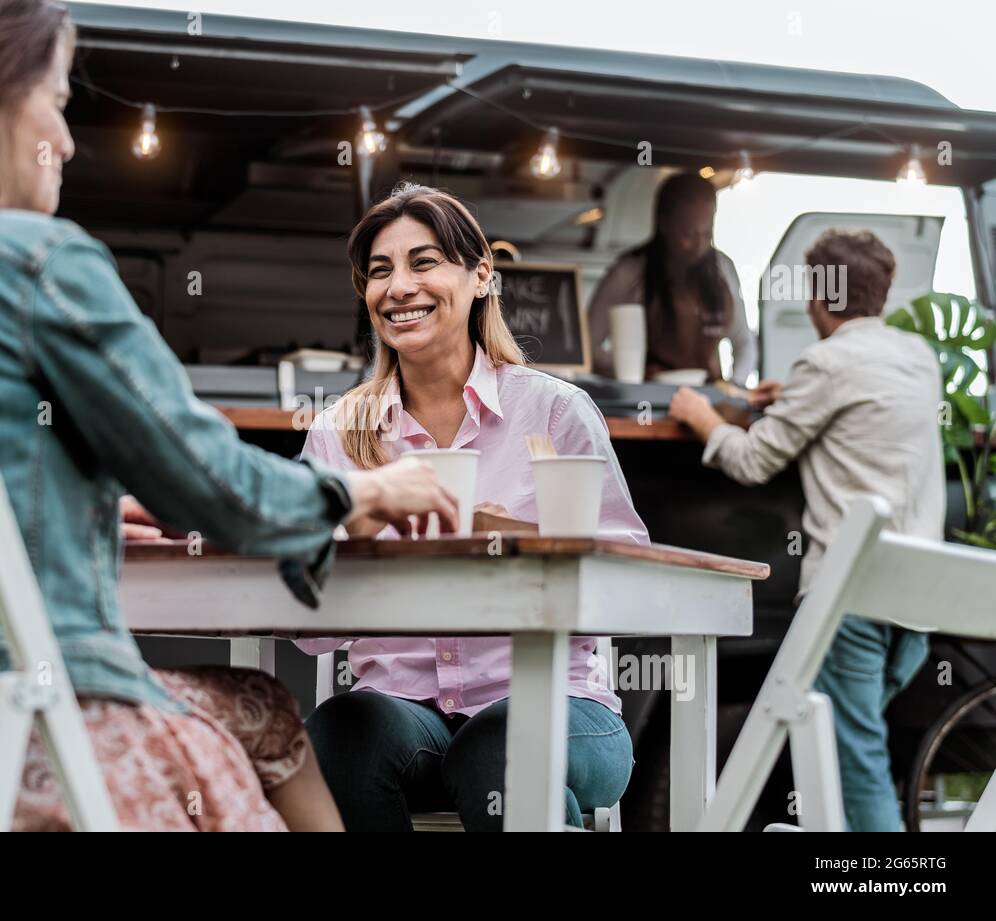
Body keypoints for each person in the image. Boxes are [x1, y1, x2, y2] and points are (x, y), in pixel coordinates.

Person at [0, 0, 459, 832]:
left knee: (264, 706)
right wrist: (359, 492)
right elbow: (209, 479)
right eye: (59, 102)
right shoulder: (36, 260)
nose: (67, 141)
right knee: (251, 724)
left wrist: (86, 511)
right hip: (31, 737)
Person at [297, 183, 647, 831]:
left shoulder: (555, 412)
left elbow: (631, 588)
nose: (398, 286)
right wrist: (358, 533)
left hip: (562, 706)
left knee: (500, 747)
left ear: (482, 273)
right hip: (407, 712)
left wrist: (514, 538)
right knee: (342, 733)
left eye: (424, 262)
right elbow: (309, 629)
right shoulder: (339, 430)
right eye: (380, 271)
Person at [667, 228, 943, 831]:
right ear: (883, 294)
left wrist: (701, 416)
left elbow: (752, 461)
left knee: (856, 760)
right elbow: (864, 413)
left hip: (853, 597)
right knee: (854, 745)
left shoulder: (823, 363)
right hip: (918, 605)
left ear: (819, 299)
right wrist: (793, 398)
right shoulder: (917, 357)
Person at [588, 172, 756, 385]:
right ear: (664, 224)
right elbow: (588, 347)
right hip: (648, 400)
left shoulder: (723, 269)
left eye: (706, 234)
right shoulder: (630, 270)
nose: (698, 245)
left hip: (707, 400)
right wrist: (631, 371)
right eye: (688, 234)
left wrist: (734, 387)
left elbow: (744, 344)